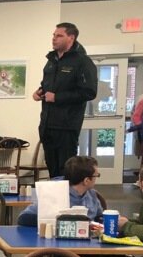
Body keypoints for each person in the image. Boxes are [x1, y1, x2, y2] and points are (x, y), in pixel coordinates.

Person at [34, 22, 98, 178]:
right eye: (53, 35)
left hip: (66, 126)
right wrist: (39, 92)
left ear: (71, 37)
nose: (54, 39)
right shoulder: (52, 61)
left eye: (59, 35)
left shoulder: (82, 62)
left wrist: (57, 97)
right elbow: (48, 85)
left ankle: (67, 201)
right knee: (52, 171)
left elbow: (89, 92)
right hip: (47, 125)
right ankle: (56, 202)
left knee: (66, 171)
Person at [16, 155, 103, 227]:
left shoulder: (91, 194)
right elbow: (23, 218)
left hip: (85, 242)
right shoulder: (53, 192)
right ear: (86, 180)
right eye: (97, 175)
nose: (97, 178)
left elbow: (99, 217)